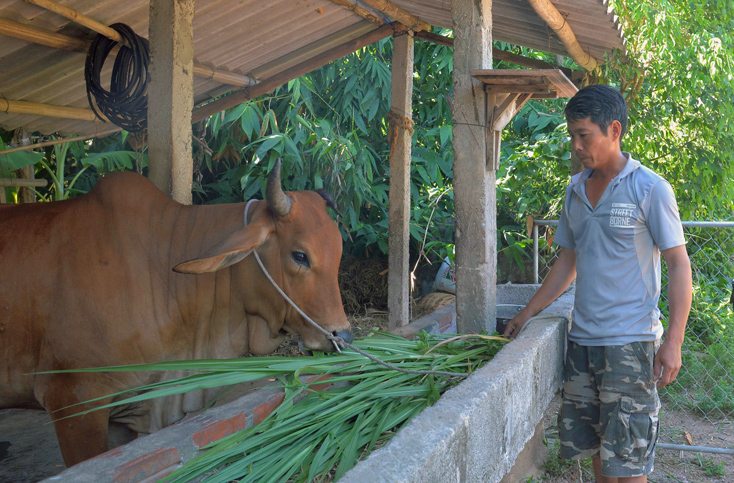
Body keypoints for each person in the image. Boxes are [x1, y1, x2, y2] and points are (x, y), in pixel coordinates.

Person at [503, 84, 692, 483]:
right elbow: (567, 262)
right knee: (597, 456)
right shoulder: (574, 191)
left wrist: (673, 341)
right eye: (572, 135)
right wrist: (526, 313)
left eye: (583, 135)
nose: (575, 146)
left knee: (629, 462)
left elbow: (679, 264)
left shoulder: (651, 189)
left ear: (614, 130)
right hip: (582, 343)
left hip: (630, 343)